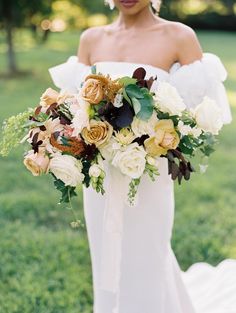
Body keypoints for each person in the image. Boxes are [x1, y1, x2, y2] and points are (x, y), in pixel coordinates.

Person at [49, 1, 235, 312]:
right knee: (106, 253)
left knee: (148, 252)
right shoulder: (91, 39)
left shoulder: (179, 36)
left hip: (149, 173)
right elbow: (74, 111)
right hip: (100, 176)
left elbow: (197, 119)